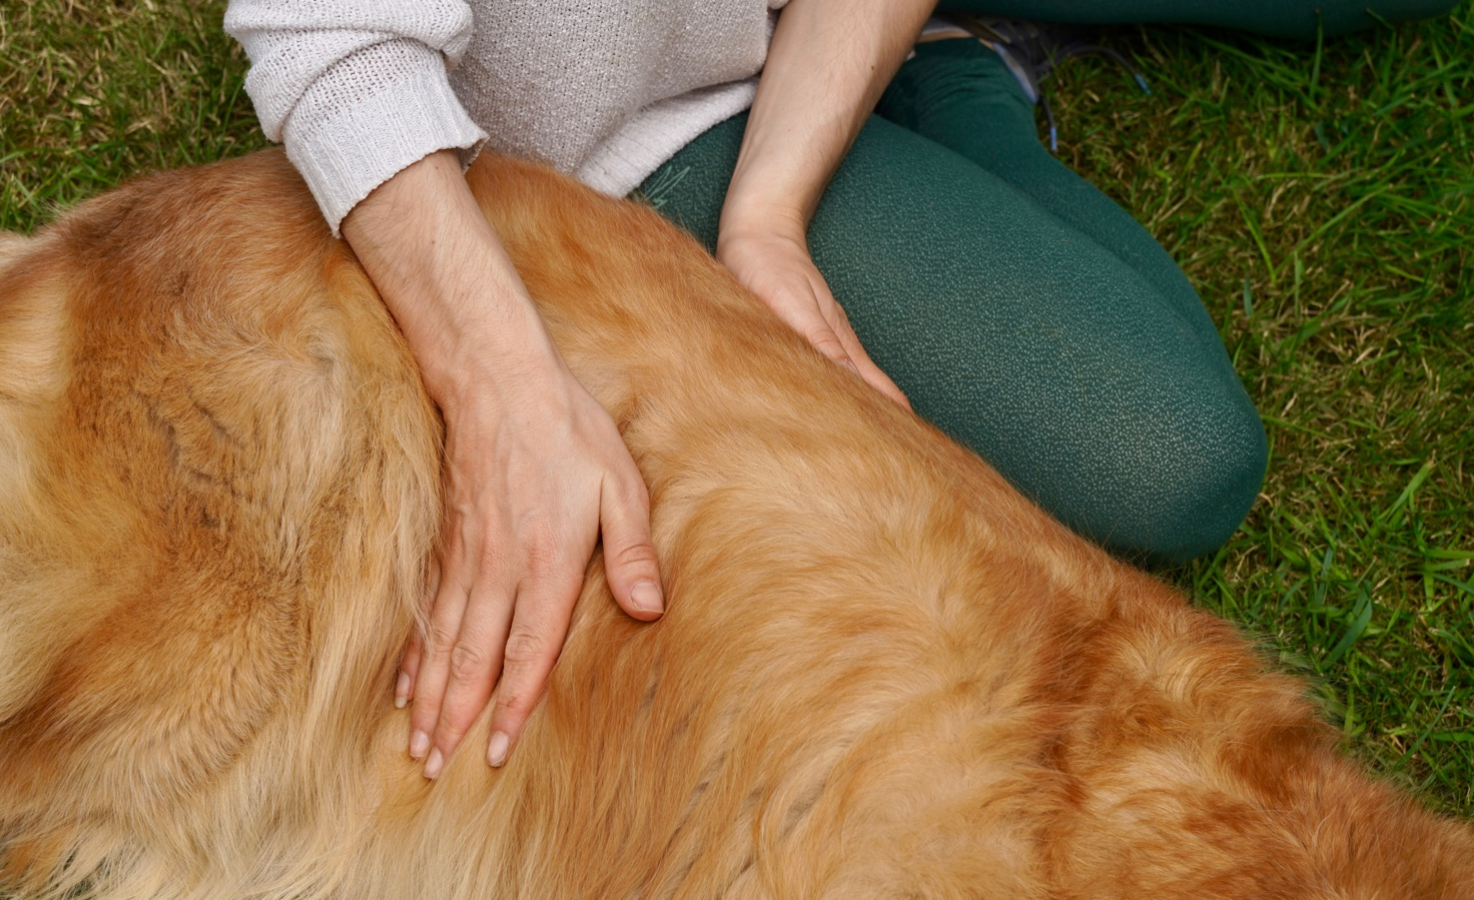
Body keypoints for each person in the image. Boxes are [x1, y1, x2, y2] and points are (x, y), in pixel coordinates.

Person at [224, 0, 1456, 779]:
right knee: (1175, 456)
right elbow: (329, 45)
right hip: (593, 147)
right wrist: (502, 385)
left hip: (770, 47)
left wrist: (770, 217)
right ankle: (955, 65)